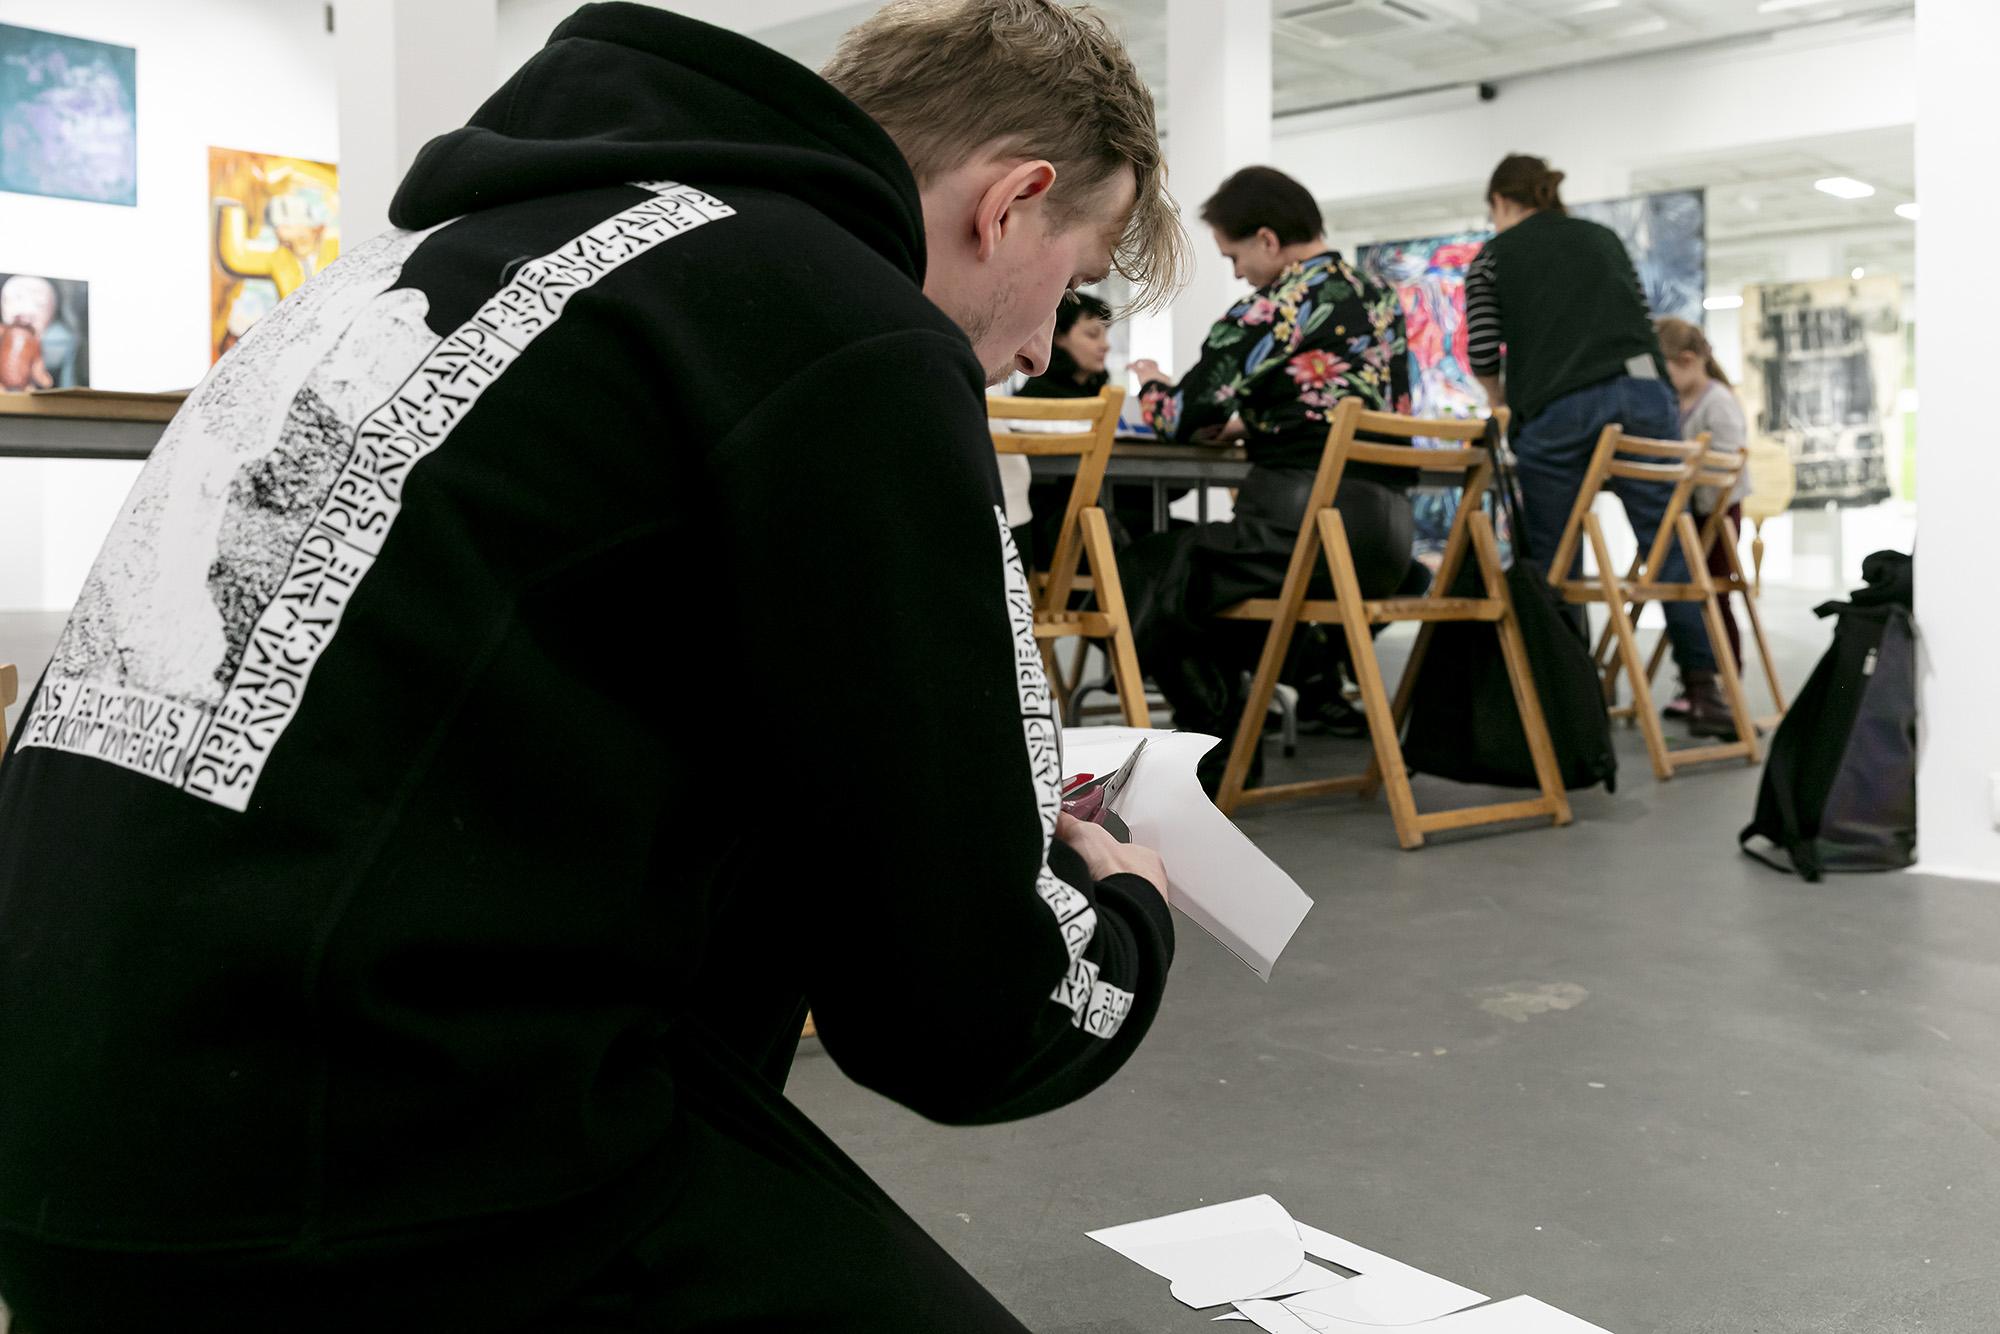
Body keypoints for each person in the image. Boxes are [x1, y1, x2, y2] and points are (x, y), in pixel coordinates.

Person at [0, 3, 1186, 1331]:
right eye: (1074, 281)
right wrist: (1122, 912)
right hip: (363, 1187)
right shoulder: (843, 323)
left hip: (73, 1139)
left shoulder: (419, 267)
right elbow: (963, 1015)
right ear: (1010, 205)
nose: (1040, 348)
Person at [1118, 165, 1413, 785]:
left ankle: (1215, 736)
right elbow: (1363, 409)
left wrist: (1150, 381)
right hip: (1385, 541)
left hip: (1303, 534)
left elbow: (1177, 417)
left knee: (1145, 568)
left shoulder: (1273, 307)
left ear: (1268, 240)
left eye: (1234, 256)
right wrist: (1256, 424)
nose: (1236, 273)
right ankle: (1250, 717)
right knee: (1198, 577)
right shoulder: (1380, 297)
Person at [1465, 153, 1731, 738]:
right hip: (1643, 396)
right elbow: (1640, 316)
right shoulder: (1603, 239)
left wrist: (1501, 400)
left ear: (1500, 202)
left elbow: (1483, 348)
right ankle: (1704, 689)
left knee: (1554, 554)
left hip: (1559, 406)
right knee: (1667, 542)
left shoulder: (1493, 257)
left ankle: (1570, 696)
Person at [1658, 314, 1750, 717]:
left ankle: (1727, 682)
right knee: (1689, 596)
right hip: (1691, 512)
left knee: (1715, 594)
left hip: (1719, 512)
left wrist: (1687, 466)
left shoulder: (1718, 401)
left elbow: (1728, 460)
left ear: (1689, 360)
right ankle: (1698, 683)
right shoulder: (1677, 402)